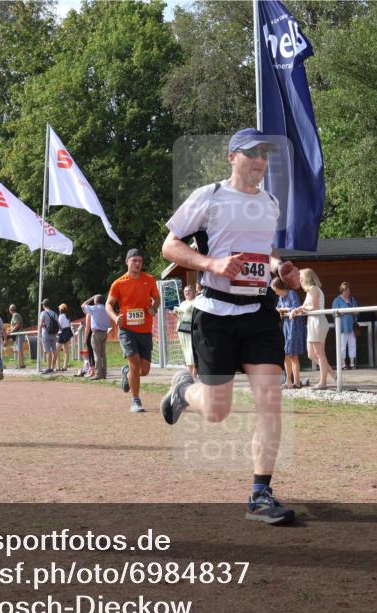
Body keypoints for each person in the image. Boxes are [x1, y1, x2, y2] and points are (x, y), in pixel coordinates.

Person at [160, 127, 303, 525]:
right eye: (252, 153)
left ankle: (260, 493)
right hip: (215, 314)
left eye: (265, 155)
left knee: (270, 400)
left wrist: (280, 269)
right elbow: (170, 246)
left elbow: (267, 252)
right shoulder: (210, 196)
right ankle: (185, 392)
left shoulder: (271, 203)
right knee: (218, 412)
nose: (260, 161)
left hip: (259, 313)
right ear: (232, 157)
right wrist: (212, 265)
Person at [107, 248, 160, 413]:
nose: (138, 264)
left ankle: (127, 372)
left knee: (144, 370)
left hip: (145, 330)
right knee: (135, 365)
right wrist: (116, 318)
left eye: (140, 261)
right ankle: (135, 401)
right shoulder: (119, 283)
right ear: (127, 262)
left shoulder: (149, 280)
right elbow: (108, 304)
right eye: (134, 260)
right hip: (127, 330)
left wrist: (154, 308)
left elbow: (156, 299)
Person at [290, 268, 334, 390]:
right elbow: (304, 306)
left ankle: (323, 382)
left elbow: (313, 307)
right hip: (312, 322)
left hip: (318, 322)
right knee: (311, 354)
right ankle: (332, 374)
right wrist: (296, 309)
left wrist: (300, 310)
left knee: (320, 354)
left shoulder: (313, 289)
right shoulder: (309, 291)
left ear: (307, 277)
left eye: (301, 277)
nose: (300, 279)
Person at [272, 277, 304, 389]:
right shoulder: (281, 297)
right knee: (285, 354)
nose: (274, 292)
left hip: (294, 326)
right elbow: (278, 308)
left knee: (293, 354)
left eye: (274, 289)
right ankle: (288, 381)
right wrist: (281, 310)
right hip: (286, 326)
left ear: (278, 287)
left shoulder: (292, 294)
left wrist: (284, 309)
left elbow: (296, 308)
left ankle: (297, 382)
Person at [81, 294, 112, 380]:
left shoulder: (94, 308)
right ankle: (104, 373)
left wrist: (91, 297)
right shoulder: (106, 308)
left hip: (96, 333)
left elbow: (83, 306)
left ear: (96, 301)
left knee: (97, 354)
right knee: (103, 354)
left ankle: (98, 374)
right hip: (105, 332)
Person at [332, 281, 359, 370]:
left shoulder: (352, 299)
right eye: (345, 291)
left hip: (351, 327)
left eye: (348, 290)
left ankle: (352, 363)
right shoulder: (337, 300)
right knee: (342, 346)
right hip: (342, 327)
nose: (347, 292)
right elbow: (334, 313)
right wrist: (344, 312)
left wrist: (350, 311)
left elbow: (357, 311)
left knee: (352, 345)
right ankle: (343, 364)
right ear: (342, 290)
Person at [174, 284, 197, 377]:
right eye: (185, 291)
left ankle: (194, 373)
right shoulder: (183, 303)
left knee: (192, 350)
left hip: (191, 329)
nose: (187, 293)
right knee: (186, 350)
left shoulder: (195, 302)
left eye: (189, 291)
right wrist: (175, 314)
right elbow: (180, 317)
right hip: (182, 329)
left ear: (193, 292)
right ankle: (189, 372)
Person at [38, 299, 60, 374]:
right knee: (54, 351)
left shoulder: (43, 313)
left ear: (43, 305)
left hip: (46, 334)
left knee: (48, 351)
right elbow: (58, 324)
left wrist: (39, 333)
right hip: (54, 334)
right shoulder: (54, 313)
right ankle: (53, 367)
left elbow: (40, 324)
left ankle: (48, 368)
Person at [8, 304, 26, 369]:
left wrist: (11, 331)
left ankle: (21, 365)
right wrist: (10, 330)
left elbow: (17, 325)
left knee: (19, 350)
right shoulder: (16, 315)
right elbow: (15, 325)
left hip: (19, 335)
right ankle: (18, 364)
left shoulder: (15, 315)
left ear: (10, 310)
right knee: (16, 350)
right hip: (17, 335)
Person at [57, 304, 74, 371]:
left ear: (61, 309)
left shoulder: (61, 316)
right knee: (66, 351)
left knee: (56, 351)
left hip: (62, 333)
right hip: (67, 333)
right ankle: (65, 367)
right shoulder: (68, 316)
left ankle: (58, 367)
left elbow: (59, 326)